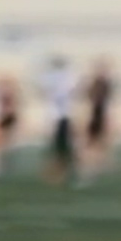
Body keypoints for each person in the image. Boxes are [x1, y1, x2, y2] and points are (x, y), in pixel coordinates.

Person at [40, 55, 81, 187]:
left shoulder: (53, 77)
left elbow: (44, 90)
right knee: (64, 147)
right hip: (63, 115)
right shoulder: (68, 77)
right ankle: (63, 172)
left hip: (58, 116)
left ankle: (61, 173)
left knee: (61, 147)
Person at [85, 57, 117, 176]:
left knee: (102, 138)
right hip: (96, 113)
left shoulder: (105, 83)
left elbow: (109, 99)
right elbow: (90, 97)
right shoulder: (95, 83)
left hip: (101, 112)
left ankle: (102, 161)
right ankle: (93, 161)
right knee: (93, 139)